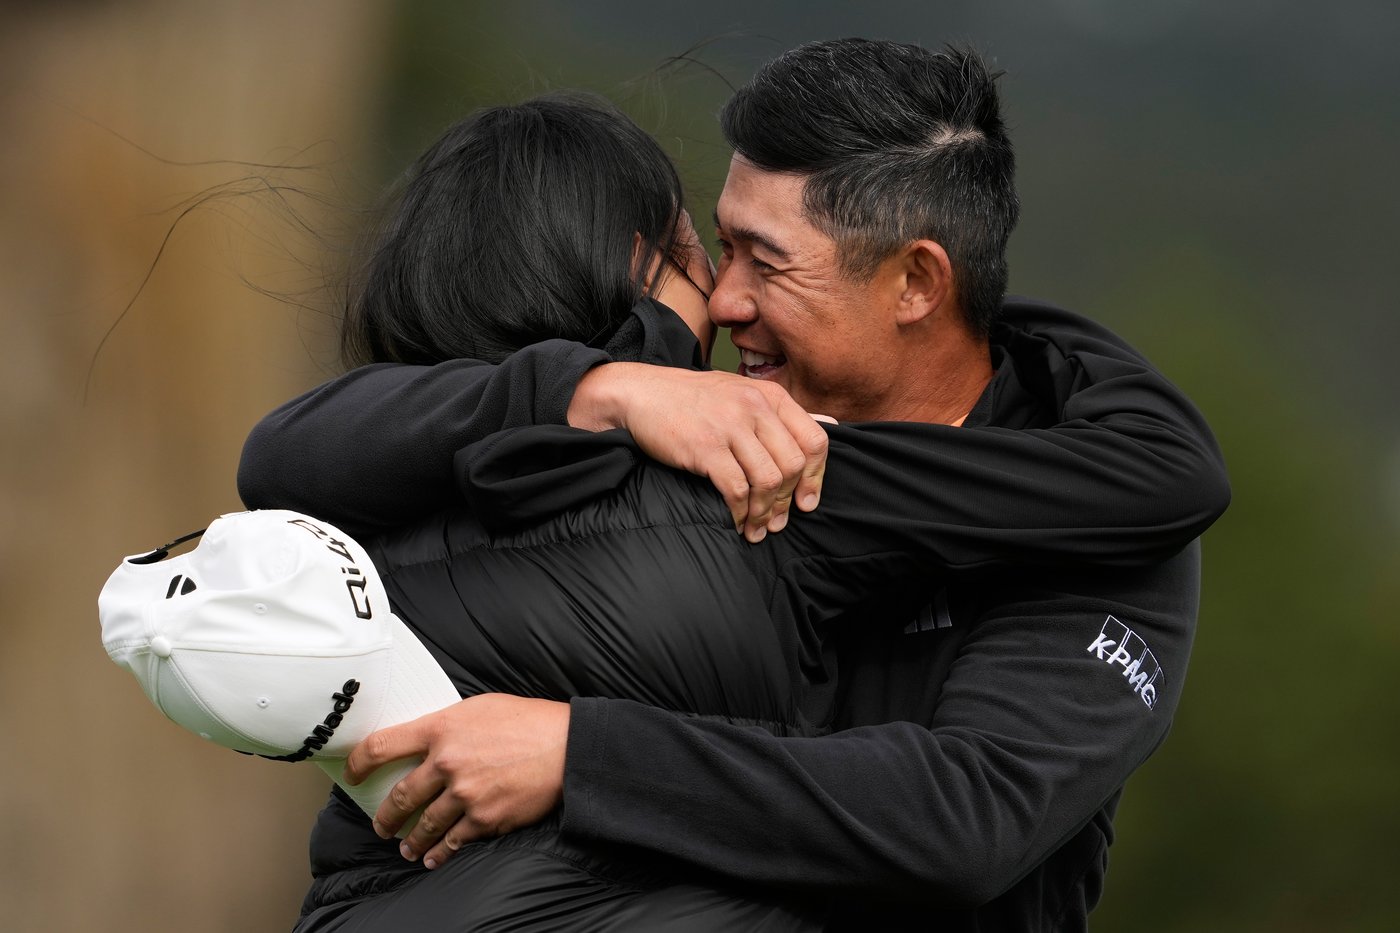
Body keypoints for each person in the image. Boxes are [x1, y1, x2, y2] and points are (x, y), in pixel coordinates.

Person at [239, 44, 1228, 931]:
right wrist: (601, 385)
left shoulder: (1091, 526)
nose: (723, 299)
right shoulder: (688, 434)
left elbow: (964, 816)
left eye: (769, 261)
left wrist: (582, 758)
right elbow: (291, 453)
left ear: (917, 283)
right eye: (719, 245)